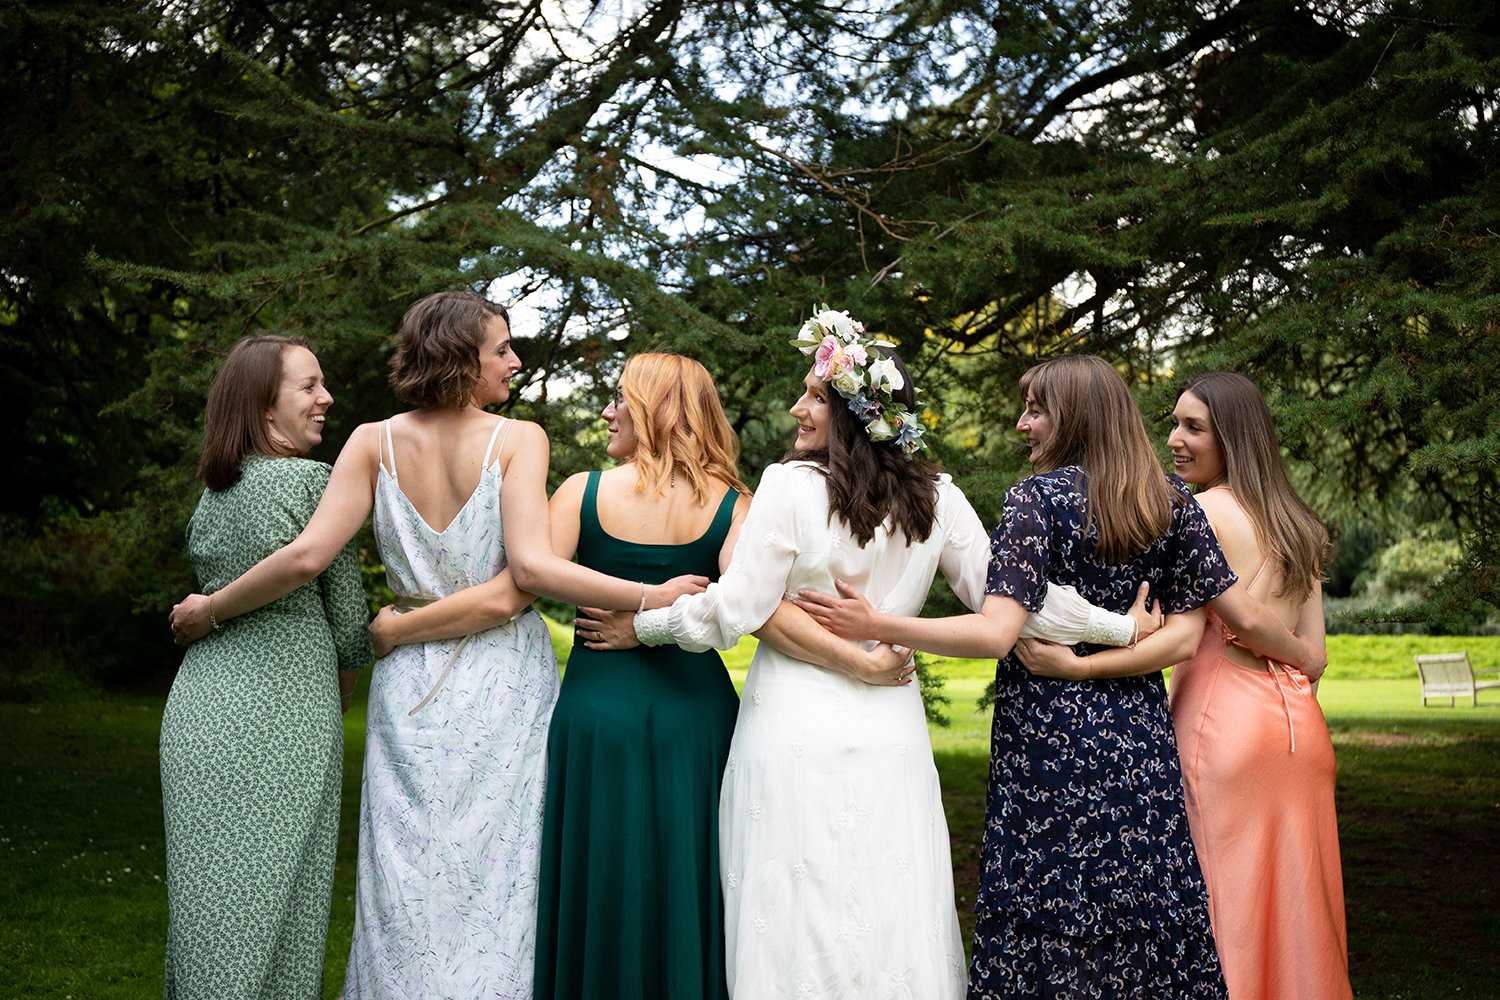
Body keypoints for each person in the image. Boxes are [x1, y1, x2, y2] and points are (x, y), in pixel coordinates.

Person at [168, 293, 705, 998]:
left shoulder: (370, 442)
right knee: (498, 873)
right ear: (461, 358)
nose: (515, 361)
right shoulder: (520, 439)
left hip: (408, 675)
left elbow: (308, 554)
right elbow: (531, 571)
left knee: (404, 870)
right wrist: (649, 595)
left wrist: (214, 609)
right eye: (501, 349)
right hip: (501, 672)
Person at [632, 317, 1154, 999]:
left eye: (816, 397)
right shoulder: (937, 498)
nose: (798, 409)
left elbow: (733, 609)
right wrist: (1121, 626)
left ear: (854, 413)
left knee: (793, 917)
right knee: (890, 911)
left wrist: (646, 624)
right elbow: (1019, 600)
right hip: (890, 728)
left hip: (792, 727)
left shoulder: (788, 486)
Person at [368, 351, 915, 1000]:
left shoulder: (581, 493)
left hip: (597, 713)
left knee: (599, 876)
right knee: (686, 876)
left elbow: (519, 585)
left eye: (620, 400)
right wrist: (858, 659)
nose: (607, 412)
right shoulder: (734, 504)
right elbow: (758, 610)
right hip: (694, 714)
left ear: (656, 412)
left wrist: (404, 623)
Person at [798, 353, 1243, 998]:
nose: (1021, 423)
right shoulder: (1171, 502)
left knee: (1046, 911)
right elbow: (1184, 637)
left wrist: (880, 623)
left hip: (1047, 739)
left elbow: (995, 632)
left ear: (1076, 419)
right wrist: (1097, 663)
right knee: (1141, 906)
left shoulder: (1036, 500)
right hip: (1137, 739)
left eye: (1036, 411)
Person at [160, 334, 369, 999]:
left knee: (207, 909)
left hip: (198, 707)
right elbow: (349, 623)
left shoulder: (214, 494)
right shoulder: (313, 482)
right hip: (287, 710)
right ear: (262, 404)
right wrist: (348, 684)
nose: (326, 397)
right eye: (309, 386)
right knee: (285, 904)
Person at [1164, 372, 1350, 999]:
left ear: (1233, 437)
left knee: (1224, 906)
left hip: (1222, 726)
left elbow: (1216, 621)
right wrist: (1297, 658)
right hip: (1299, 734)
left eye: (1193, 428)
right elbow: (1316, 656)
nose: (1174, 439)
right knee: (1299, 909)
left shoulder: (1200, 511)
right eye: (1174, 424)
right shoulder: (1299, 523)